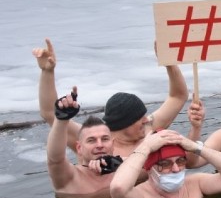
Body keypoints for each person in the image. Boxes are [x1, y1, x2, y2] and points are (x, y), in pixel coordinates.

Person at [32, 38, 189, 158]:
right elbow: (50, 114)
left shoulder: (148, 129)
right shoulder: (94, 140)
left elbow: (178, 97)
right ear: (123, 124)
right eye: (139, 118)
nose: (146, 120)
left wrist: (169, 63)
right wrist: (47, 72)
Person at [109, 129, 221, 198]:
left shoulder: (195, 183)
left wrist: (195, 147)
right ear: (149, 168)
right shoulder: (141, 197)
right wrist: (145, 148)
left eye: (180, 161)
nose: (175, 169)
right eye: (165, 164)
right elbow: (118, 188)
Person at [46, 87, 123, 196]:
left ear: (113, 144)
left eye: (105, 139)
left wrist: (120, 164)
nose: (100, 145)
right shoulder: (70, 178)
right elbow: (55, 160)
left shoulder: (125, 170)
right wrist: (61, 119)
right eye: (91, 141)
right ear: (79, 148)